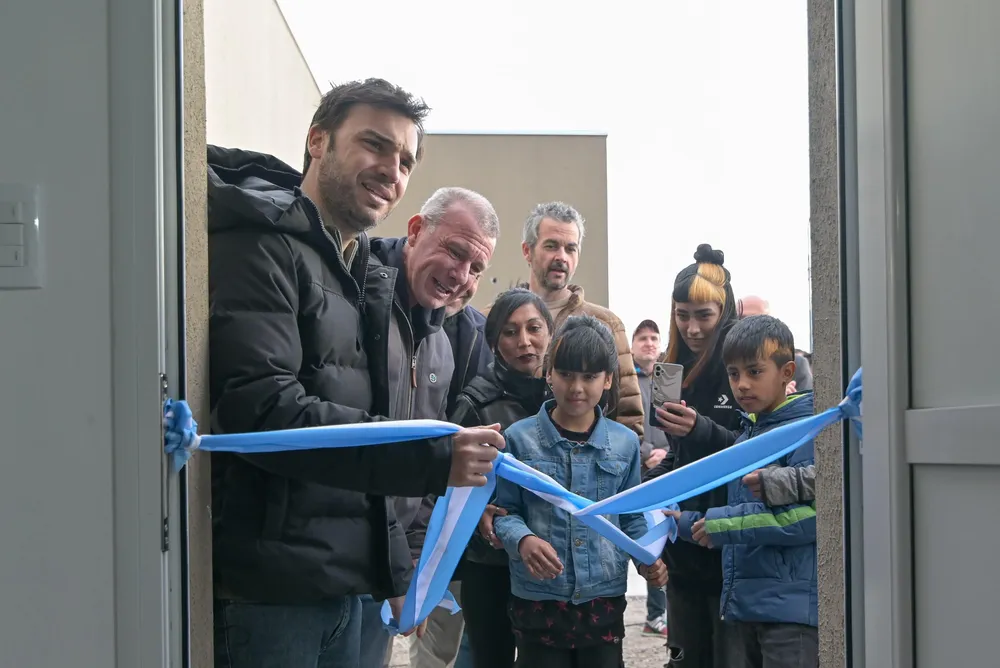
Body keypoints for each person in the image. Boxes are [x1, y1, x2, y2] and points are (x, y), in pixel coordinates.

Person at [207, 78, 504, 668]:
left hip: (356, 593)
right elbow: (262, 411)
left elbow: (372, 452)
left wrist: (397, 573)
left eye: (405, 160)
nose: (391, 169)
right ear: (318, 141)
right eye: (375, 144)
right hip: (276, 595)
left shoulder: (354, 272)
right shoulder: (264, 246)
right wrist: (435, 455)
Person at [357, 186, 500, 668]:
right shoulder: (359, 294)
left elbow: (420, 480)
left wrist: (414, 574)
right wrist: (399, 571)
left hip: (383, 570)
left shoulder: (440, 341)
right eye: (456, 253)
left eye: (476, 268)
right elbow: (363, 453)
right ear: (416, 229)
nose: (461, 276)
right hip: (331, 564)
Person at [494, 315, 668, 668]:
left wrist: (647, 557)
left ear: (607, 380)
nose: (577, 387)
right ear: (549, 374)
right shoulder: (518, 439)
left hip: (602, 599)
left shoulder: (624, 444)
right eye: (567, 374)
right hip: (538, 599)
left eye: (589, 377)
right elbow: (503, 512)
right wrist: (523, 540)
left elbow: (631, 516)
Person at [672, 314, 818, 668]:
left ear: (787, 373)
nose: (742, 385)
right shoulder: (746, 435)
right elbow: (732, 513)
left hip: (792, 616)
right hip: (746, 608)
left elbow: (808, 520)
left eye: (755, 371)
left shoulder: (806, 431)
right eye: (734, 374)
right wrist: (680, 522)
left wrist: (720, 526)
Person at [644, 244, 741, 668]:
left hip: (728, 540)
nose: (692, 327)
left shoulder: (740, 364)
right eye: (682, 314)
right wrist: (650, 487)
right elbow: (679, 456)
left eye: (704, 314)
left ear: (726, 310)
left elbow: (756, 447)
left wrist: (701, 428)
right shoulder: (671, 368)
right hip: (682, 545)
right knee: (686, 657)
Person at [450, 288, 555, 668]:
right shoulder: (475, 402)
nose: (525, 341)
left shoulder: (566, 396)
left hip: (549, 556)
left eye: (534, 328)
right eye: (510, 332)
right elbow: (450, 482)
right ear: (493, 342)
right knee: (489, 656)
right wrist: (477, 512)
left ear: (550, 332)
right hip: (489, 560)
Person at [514, 201, 645, 438]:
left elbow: (628, 414)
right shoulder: (495, 320)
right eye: (551, 246)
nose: (561, 257)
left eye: (570, 248)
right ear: (527, 251)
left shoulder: (606, 324)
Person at [630, 319, 670, 638]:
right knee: (649, 543)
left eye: (654, 337)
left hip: (669, 472)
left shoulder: (669, 379)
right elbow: (623, 419)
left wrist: (667, 453)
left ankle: (664, 612)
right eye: (642, 337)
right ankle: (655, 615)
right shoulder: (626, 379)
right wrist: (646, 453)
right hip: (639, 475)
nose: (649, 343)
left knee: (670, 540)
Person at [737, 294, 813, 393]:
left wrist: (785, 401)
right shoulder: (724, 363)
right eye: (742, 319)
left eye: (757, 319)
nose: (748, 326)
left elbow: (807, 403)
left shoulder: (797, 363)